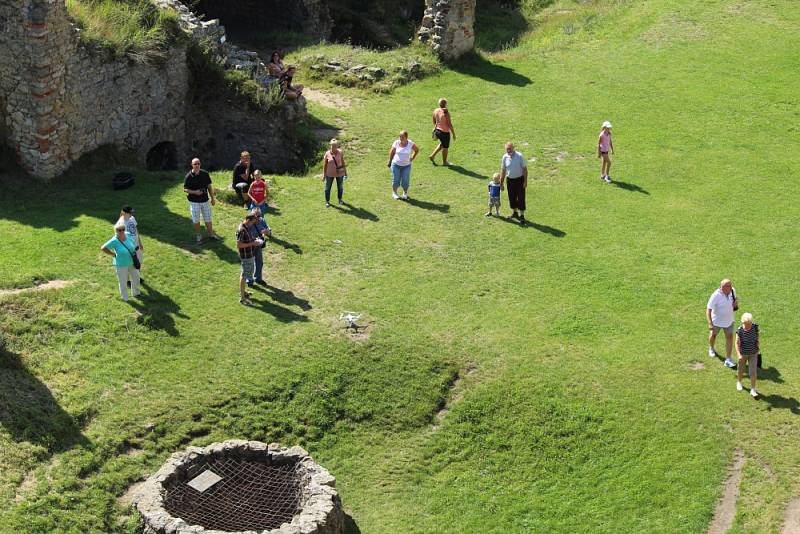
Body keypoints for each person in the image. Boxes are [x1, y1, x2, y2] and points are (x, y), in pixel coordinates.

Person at [184, 158, 221, 245]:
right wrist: (195, 192)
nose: (197, 165)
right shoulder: (188, 176)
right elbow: (185, 189)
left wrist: (212, 198)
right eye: (195, 164)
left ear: (200, 164)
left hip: (205, 200)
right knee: (196, 220)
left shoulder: (205, 173)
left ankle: (211, 234)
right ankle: (199, 236)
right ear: (192, 165)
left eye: (198, 164)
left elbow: (209, 186)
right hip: (194, 202)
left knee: (208, 218)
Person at [100, 223, 140, 302]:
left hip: (132, 262)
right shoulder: (114, 240)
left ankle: (136, 293)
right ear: (115, 231)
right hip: (121, 264)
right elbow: (103, 248)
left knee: (136, 278)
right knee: (123, 281)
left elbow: (132, 242)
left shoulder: (127, 235)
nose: (121, 231)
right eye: (119, 230)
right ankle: (125, 298)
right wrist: (113, 254)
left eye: (123, 229)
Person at [706, 278, 739, 368]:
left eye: (731, 285)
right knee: (713, 335)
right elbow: (708, 309)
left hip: (729, 320)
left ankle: (728, 358)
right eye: (729, 286)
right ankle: (711, 348)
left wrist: (735, 304)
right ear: (723, 287)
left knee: (729, 337)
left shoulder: (733, 291)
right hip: (717, 321)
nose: (731, 287)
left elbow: (734, 304)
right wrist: (710, 323)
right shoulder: (716, 295)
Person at [236, 213, 263, 305]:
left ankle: (244, 292)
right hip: (246, 256)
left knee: (246, 273)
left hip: (249, 254)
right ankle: (242, 298)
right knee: (244, 275)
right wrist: (252, 244)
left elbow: (246, 240)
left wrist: (254, 240)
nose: (253, 224)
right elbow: (239, 244)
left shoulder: (246, 227)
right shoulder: (242, 230)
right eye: (252, 222)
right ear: (248, 220)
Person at [500, 142, 528, 225]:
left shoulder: (519, 156)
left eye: (510, 149)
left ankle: (522, 216)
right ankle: (515, 213)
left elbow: (525, 169)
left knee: (521, 197)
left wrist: (525, 181)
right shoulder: (505, 157)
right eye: (507, 149)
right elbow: (503, 170)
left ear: (513, 148)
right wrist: (501, 183)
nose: (508, 150)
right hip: (510, 180)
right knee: (512, 197)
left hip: (520, 180)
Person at [387, 130, 419, 200]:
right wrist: (390, 161)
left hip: (406, 166)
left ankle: (405, 193)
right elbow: (392, 152)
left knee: (405, 180)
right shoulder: (396, 142)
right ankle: (394, 193)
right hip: (396, 165)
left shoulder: (410, 143)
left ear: (406, 137)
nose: (400, 138)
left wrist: (412, 157)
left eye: (402, 137)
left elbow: (416, 150)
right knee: (396, 179)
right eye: (400, 136)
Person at [736, 312, 761, 398]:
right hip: (743, 354)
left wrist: (758, 345)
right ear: (742, 322)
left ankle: (753, 389)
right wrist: (739, 354)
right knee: (741, 369)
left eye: (748, 324)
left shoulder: (755, 327)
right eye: (745, 324)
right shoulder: (740, 330)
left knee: (753, 372)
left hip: (753, 353)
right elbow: (737, 343)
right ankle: (739, 382)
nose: (747, 326)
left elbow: (757, 336)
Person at [117, 205, 144, 284]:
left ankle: (137, 276)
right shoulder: (121, 223)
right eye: (130, 213)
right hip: (129, 248)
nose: (131, 214)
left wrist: (140, 243)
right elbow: (120, 237)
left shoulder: (132, 218)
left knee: (138, 262)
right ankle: (128, 280)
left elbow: (136, 231)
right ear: (124, 213)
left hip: (136, 245)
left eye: (131, 212)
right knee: (129, 264)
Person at [246, 207, 272, 287]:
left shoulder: (262, 221)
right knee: (249, 263)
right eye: (255, 216)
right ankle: (249, 280)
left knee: (259, 262)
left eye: (258, 216)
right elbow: (243, 234)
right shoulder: (247, 223)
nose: (257, 218)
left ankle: (258, 278)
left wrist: (267, 232)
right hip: (249, 245)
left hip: (258, 245)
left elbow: (269, 233)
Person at [428, 98, 456, 166]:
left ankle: (432, 156)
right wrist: (453, 134)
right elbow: (449, 124)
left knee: (442, 144)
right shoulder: (446, 112)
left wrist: (437, 126)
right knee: (445, 147)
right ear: (446, 104)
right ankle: (445, 162)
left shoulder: (436, 110)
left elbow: (434, 120)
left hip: (437, 131)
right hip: (445, 132)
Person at [322, 138, 347, 207]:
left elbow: (343, 162)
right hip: (329, 174)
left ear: (337, 146)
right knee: (327, 188)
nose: (334, 147)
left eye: (335, 146)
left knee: (340, 187)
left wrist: (345, 173)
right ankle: (327, 201)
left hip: (340, 174)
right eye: (332, 146)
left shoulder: (340, 152)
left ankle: (340, 200)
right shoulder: (327, 153)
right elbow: (325, 165)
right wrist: (324, 175)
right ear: (330, 146)